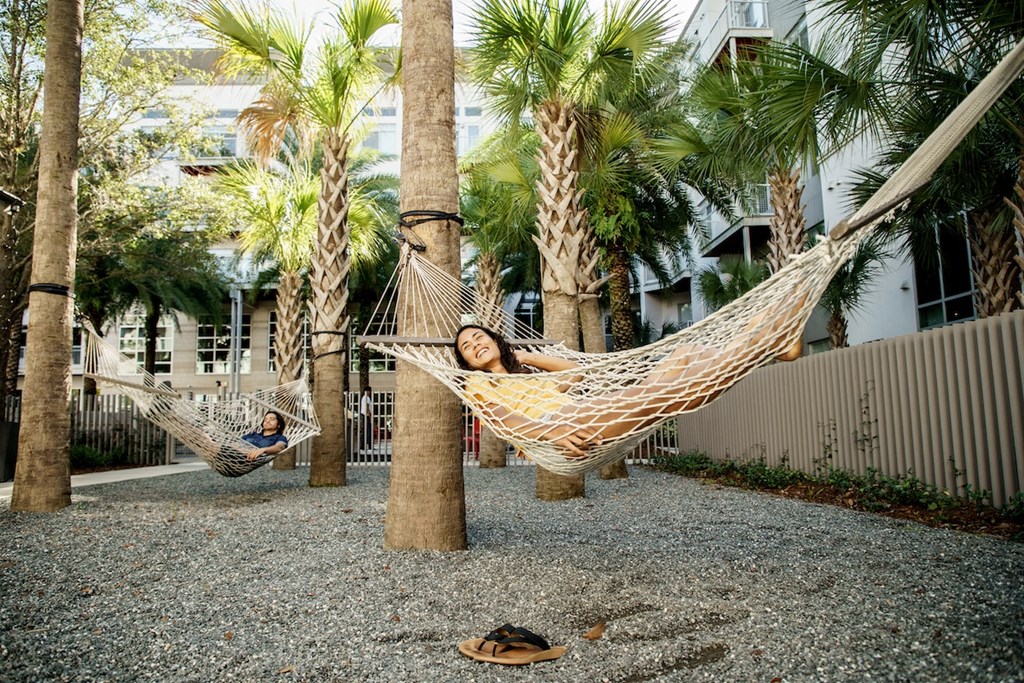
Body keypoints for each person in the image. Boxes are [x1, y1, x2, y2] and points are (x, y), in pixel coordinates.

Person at [453, 314, 804, 458]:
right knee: (667, 395)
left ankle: (763, 345)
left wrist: (523, 357)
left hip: (581, 411)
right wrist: (550, 431)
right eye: (467, 348)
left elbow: (574, 372)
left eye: (478, 337)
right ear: (467, 363)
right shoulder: (479, 383)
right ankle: (765, 345)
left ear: (495, 340)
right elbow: (502, 420)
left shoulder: (527, 380)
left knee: (683, 355)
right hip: (566, 425)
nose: (474, 345)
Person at [359, 386, 373, 451]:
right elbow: (367, 407)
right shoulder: (367, 398)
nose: (370, 392)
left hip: (363, 415)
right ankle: (369, 445)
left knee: (364, 431)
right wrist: (370, 416)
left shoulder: (363, 398)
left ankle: (363, 445)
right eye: (369, 391)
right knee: (368, 431)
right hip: (366, 415)